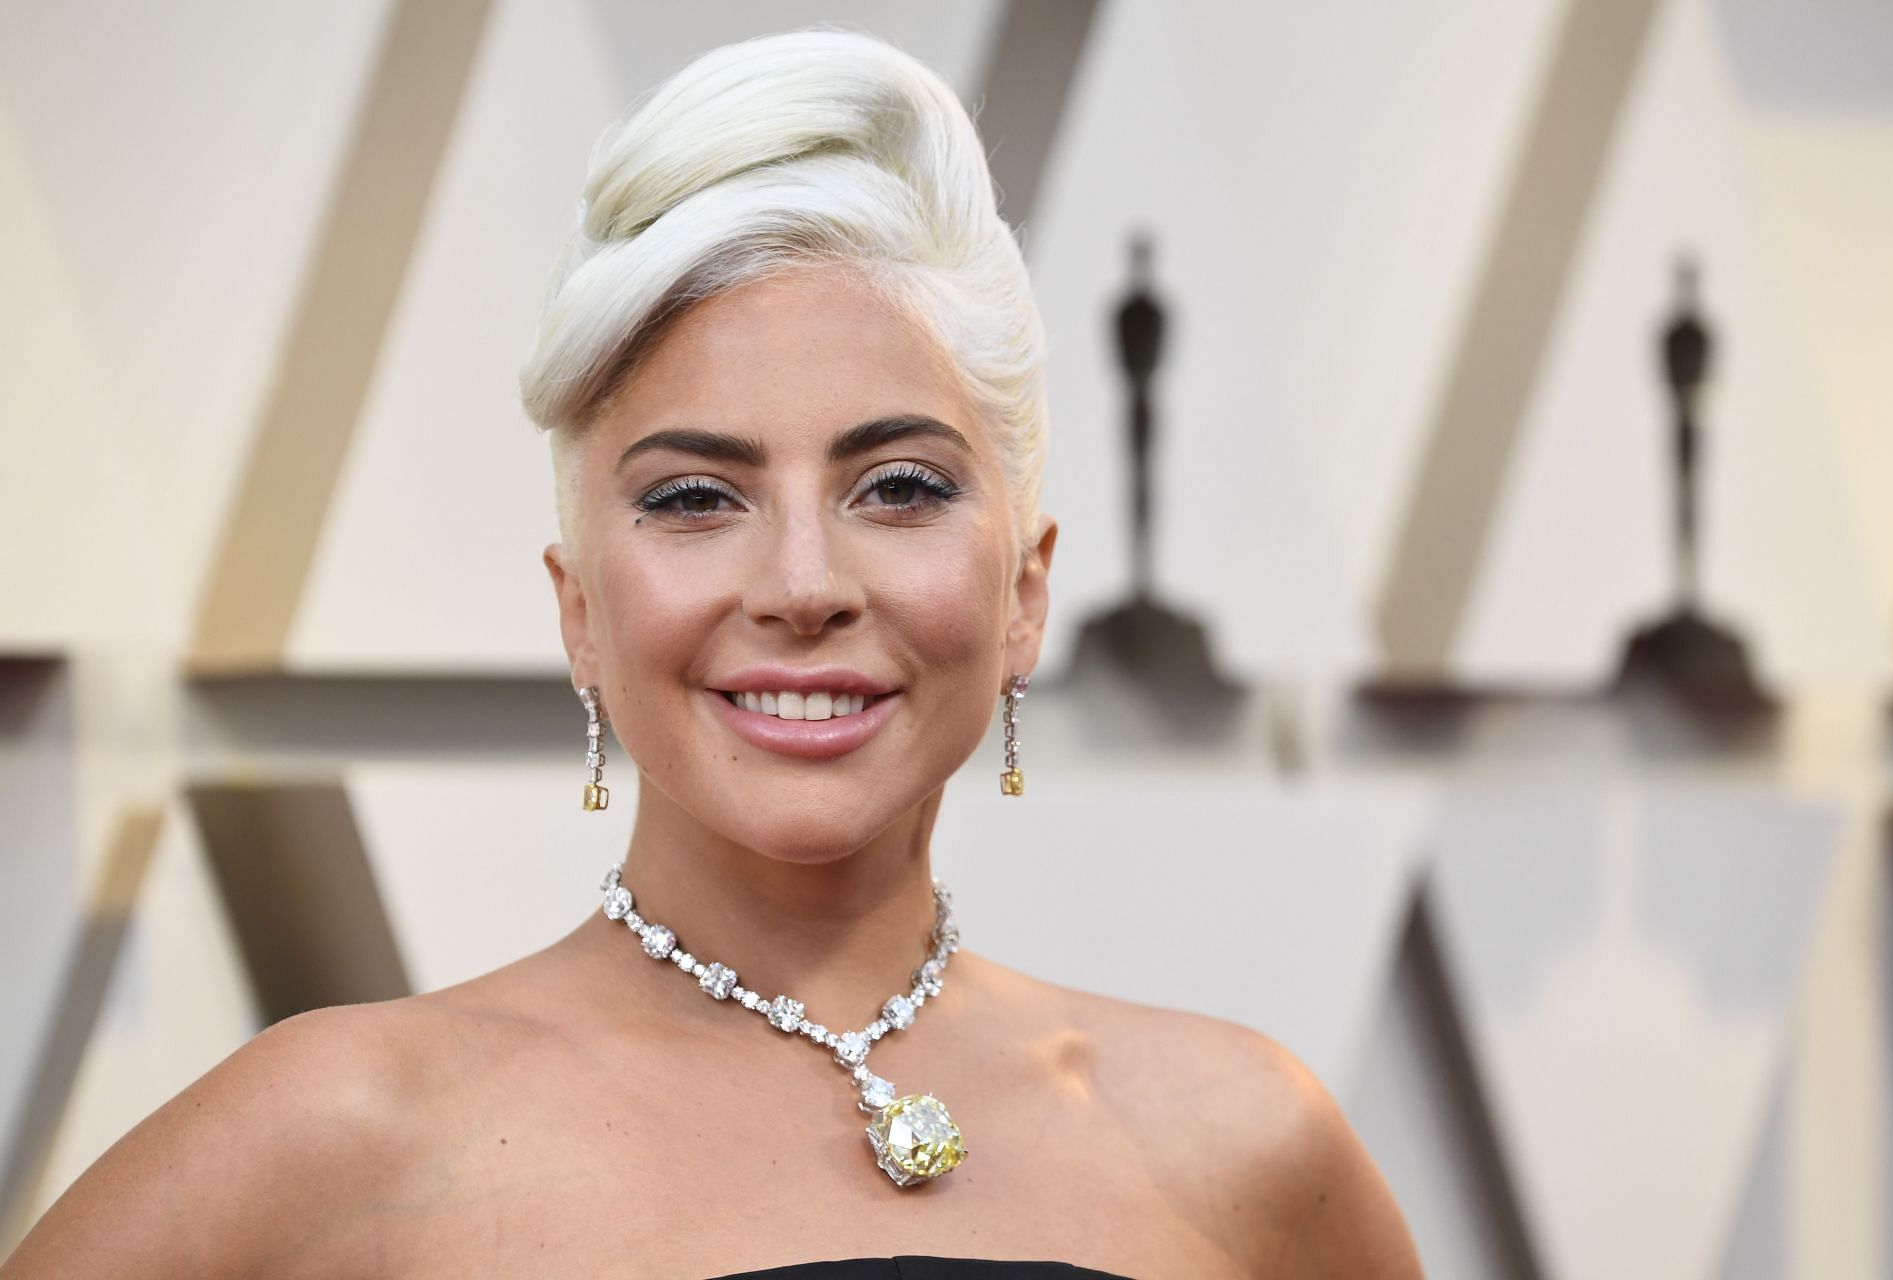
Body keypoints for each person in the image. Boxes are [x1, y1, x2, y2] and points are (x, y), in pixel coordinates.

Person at [4, 28, 1419, 1279]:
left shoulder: (1251, 1154)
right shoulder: (339, 1140)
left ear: (1026, 597)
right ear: (579, 612)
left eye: (900, 487)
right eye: (695, 498)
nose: (803, 585)